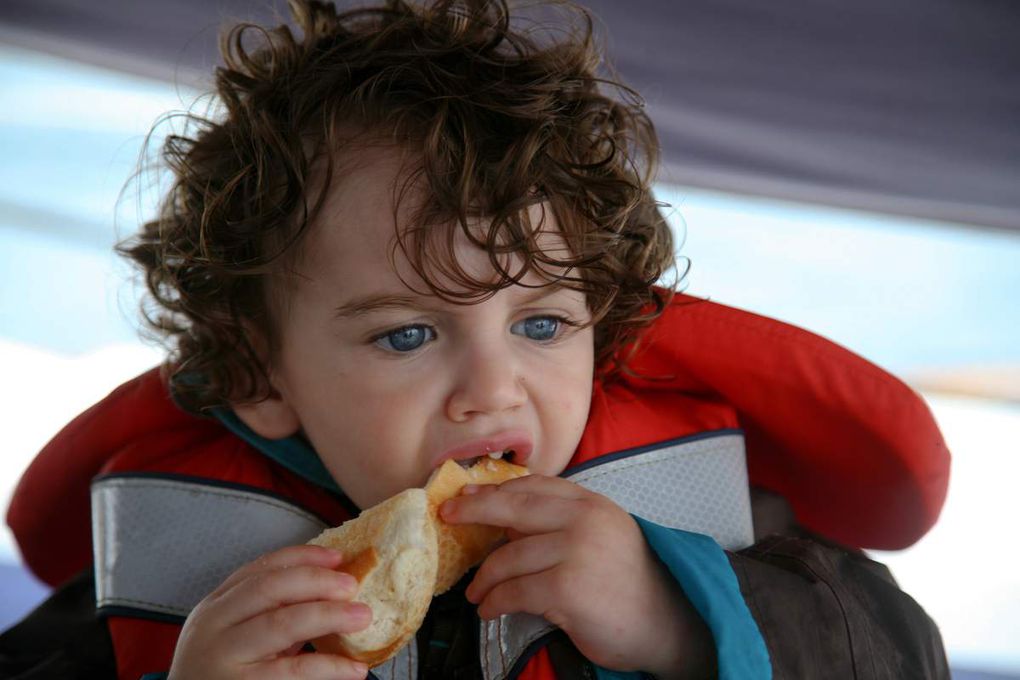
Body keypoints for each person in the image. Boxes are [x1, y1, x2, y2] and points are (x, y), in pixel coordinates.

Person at [2, 0, 952, 678]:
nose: (492, 390)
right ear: (260, 371)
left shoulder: (721, 533)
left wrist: (682, 622)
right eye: (408, 335)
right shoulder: (155, 598)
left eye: (539, 324)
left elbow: (904, 657)